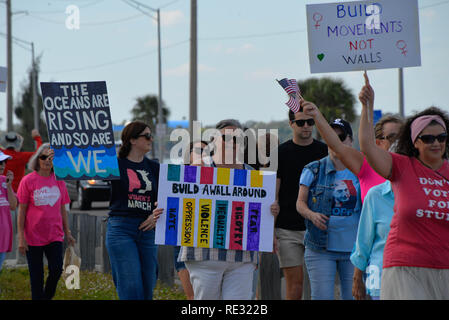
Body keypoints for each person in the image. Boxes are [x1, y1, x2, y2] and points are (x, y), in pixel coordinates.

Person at [358, 73, 449, 299]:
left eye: (441, 137)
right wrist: (367, 106)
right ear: (415, 142)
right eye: (428, 138)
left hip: (444, 267)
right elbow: (368, 146)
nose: (436, 143)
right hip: (404, 267)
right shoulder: (402, 166)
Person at [178, 119, 279, 300]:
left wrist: (271, 211)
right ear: (214, 140)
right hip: (205, 255)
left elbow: (259, 216)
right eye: (227, 138)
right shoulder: (200, 168)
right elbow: (181, 203)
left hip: (242, 258)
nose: (233, 142)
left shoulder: (252, 175)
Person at [296, 116, 362, 300]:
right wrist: (311, 215)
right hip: (320, 248)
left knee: (354, 297)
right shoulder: (313, 169)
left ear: (351, 140)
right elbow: (299, 203)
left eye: (341, 137)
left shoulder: (362, 171)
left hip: (354, 250)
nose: (335, 141)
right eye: (330, 136)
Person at [106, 121, 163, 300]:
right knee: (130, 284)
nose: (150, 139)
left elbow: (168, 199)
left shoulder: (155, 167)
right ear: (132, 140)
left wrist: (155, 216)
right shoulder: (114, 165)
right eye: (146, 136)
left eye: (151, 135)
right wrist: (59, 158)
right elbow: (83, 168)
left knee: (148, 285)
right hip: (121, 229)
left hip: (148, 231)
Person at [301, 101, 403, 202]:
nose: (398, 141)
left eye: (402, 137)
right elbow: (337, 145)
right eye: (393, 137)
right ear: (378, 142)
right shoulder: (366, 165)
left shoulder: (413, 167)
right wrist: (316, 115)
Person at [275, 109, 328, 300]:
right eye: (300, 122)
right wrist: (270, 230)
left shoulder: (324, 151)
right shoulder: (280, 152)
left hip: (319, 226)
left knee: (321, 286)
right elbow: (274, 194)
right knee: (295, 286)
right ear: (291, 124)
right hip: (287, 228)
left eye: (310, 122)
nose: (306, 126)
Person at [17, 143, 76, 300]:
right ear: (37, 159)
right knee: (36, 278)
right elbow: (21, 211)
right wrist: (21, 238)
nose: (47, 161)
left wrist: (67, 232)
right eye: (44, 157)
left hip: (54, 235)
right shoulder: (27, 181)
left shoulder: (59, 181)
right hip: (33, 237)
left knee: (56, 270)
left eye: (51, 158)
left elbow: (63, 209)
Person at [173, 140, 210, 300]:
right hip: (183, 238)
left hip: (209, 242)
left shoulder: (220, 178)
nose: (201, 154)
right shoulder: (177, 177)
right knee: (193, 297)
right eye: (197, 151)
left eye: (205, 151)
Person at [350, 180, 394, 300]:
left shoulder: (424, 195)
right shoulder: (375, 195)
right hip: (380, 277)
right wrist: (357, 278)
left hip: (417, 277)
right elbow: (363, 241)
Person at [0, 151, 17, 272]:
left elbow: (13, 205)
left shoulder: (4, 182)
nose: (2, 165)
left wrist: (10, 185)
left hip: (3, 236)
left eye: (4, 162)